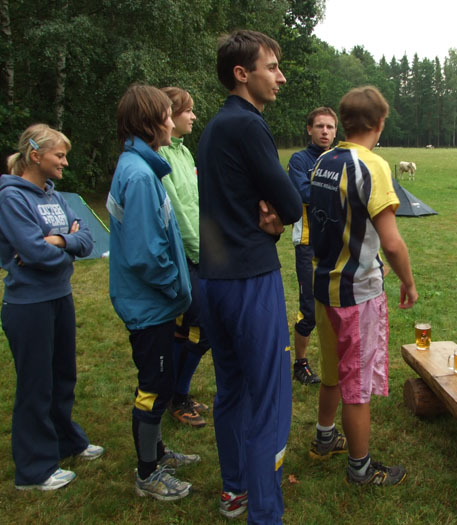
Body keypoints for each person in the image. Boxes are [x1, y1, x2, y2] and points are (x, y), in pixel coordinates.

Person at [196, 30, 302, 521]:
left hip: (213, 280)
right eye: (272, 67)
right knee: (268, 399)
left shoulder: (214, 126)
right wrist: (278, 222)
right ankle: (265, 512)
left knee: (232, 389)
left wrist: (270, 222)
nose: (280, 77)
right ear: (243, 74)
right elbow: (290, 204)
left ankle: (234, 489)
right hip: (250, 283)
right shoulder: (248, 125)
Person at [308, 86, 418, 486]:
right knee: (356, 383)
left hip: (324, 285)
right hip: (357, 293)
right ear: (379, 124)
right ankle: (360, 468)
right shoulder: (372, 165)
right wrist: (408, 281)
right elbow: (391, 241)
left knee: (330, 371)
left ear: (344, 120)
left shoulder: (324, 160)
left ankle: (324, 439)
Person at [107, 84, 199, 501]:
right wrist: (177, 287)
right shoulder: (141, 175)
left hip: (149, 300)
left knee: (158, 382)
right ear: (151, 122)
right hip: (150, 303)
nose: (172, 121)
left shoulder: (136, 165)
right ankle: (148, 473)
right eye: (166, 114)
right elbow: (147, 254)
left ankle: (158, 452)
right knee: (154, 387)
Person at [0, 124, 103, 491]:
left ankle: (67, 442)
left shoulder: (53, 195)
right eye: (59, 155)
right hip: (29, 304)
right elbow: (30, 251)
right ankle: (34, 469)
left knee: (63, 376)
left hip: (60, 296)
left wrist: (59, 240)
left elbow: (87, 239)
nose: (64, 161)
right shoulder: (12, 197)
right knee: (36, 384)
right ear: (35, 156)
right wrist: (65, 248)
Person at [158, 86, 210, 428]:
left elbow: (197, 202)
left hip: (202, 249)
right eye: (187, 111)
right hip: (186, 254)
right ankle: (175, 396)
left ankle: (177, 392)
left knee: (197, 327)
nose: (193, 116)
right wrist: (198, 251)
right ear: (170, 115)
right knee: (198, 325)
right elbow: (176, 210)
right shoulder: (161, 156)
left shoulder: (185, 152)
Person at [287, 107, 338, 385]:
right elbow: (303, 193)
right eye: (319, 126)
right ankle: (300, 363)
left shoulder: (340, 158)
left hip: (336, 242)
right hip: (308, 243)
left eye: (330, 127)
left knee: (338, 303)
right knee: (309, 307)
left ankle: (338, 359)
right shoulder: (299, 160)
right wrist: (335, 191)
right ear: (309, 129)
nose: (325, 132)